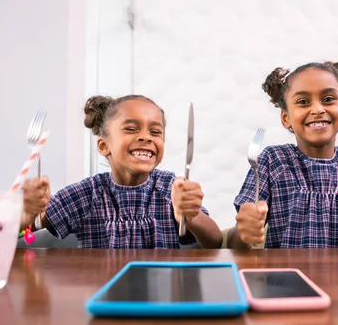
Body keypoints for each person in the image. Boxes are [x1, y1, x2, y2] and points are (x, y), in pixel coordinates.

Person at [227, 62, 338, 249]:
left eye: (328, 99)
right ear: (285, 118)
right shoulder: (273, 161)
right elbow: (235, 245)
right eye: (303, 102)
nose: (317, 109)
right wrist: (245, 229)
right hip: (288, 277)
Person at [20, 95, 223, 249]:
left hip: (161, 298)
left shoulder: (171, 188)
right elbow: (27, 234)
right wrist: (29, 215)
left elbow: (214, 242)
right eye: (131, 129)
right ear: (103, 146)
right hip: (102, 297)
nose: (146, 137)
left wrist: (190, 215)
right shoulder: (85, 194)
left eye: (155, 132)